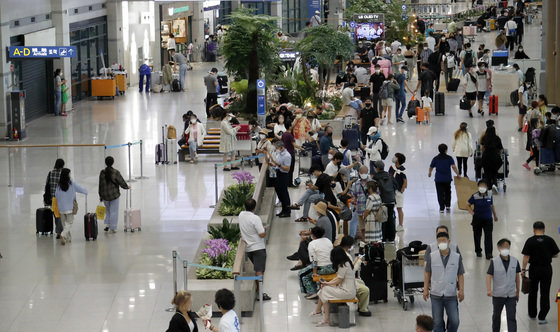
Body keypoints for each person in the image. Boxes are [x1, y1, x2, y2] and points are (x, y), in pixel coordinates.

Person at [423, 231, 465, 332]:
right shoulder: (432, 256)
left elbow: (460, 274)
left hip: (451, 294)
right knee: (437, 322)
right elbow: (427, 273)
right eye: (439, 241)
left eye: (444, 240)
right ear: (437, 243)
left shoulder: (456, 257)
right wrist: (425, 289)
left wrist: (461, 290)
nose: (441, 243)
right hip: (436, 294)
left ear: (448, 241)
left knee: (455, 321)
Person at [521, 221, 560, 324]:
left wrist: (523, 270)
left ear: (534, 230)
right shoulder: (550, 240)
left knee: (533, 291)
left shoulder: (530, 241)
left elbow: (526, 257)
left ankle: (532, 313)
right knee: (545, 292)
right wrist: (546, 255)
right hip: (547, 269)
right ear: (544, 229)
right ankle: (542, 317)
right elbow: (556, 254)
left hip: (534, 269)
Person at [311, 246, 357, 327]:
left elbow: (339, 280)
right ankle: (322, 314)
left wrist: (327, 283)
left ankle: (323, 315)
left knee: (324, 290)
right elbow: (338, 278)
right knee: (324, 289)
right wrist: (327, 283)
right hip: (346, 289)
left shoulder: (343, 265)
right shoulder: (346, 262)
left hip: (347, 292)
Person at [239, 198, 271, 301]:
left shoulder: (241, 215)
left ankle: (259, 290)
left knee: (258, 269)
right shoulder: (255, 218)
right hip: (258, 248)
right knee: (260, 271)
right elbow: (261, 234)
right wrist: (264, 229)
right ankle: (260, 293)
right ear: (254, 207)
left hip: (249, 249)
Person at [486, 238, 520, 332]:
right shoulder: (494, 261)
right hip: (498, 295)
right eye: (504, 247)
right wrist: (489, 289)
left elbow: (517, 277)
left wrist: (517, 291)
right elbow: (489, 275)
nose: (506, 249)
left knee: (511, 317)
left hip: (511, 295)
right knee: (496, 316)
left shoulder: (515, 261)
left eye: (507, 247)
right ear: (499, 248)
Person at [298, 226, 334, 299]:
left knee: (301, 274)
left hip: (321, 268)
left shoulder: (312, 244)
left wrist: (314, 272)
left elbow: (314, 260)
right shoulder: (328, 240)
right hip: (333, 267)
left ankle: (312, 292)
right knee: (308, 271)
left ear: (313, 235)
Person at [55, 168, 88, 245]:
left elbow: (56, 195)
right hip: (69, 207)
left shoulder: (58, 185)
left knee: (64, 224)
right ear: (67, 175)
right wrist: (86, 191)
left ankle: (68, 238)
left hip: (61, 208)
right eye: (69, 173)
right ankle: (63, 235)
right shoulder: (71, 184)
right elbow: (81, 189)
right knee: (69, 223)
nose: (70, 175)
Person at [467, 181, 498, 259]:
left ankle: (488, 253)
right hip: (477, 219)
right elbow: (467, 205)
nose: (482, 187)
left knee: (488, 236)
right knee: (477, 236)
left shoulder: (490, 195)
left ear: (487, 187)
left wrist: (495, 215)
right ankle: (478, 251)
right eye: (480, 186)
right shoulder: (474, 196)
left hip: (488, 219)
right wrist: (473, 214)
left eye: (484, 186)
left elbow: (491, 205)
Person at [98, 156, 130, 233]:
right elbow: (121, 182)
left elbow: (100, 185)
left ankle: (107, 225)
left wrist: (100, 195)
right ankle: (113, 227)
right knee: (114, 211)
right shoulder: (115, 172)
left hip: (105, 195)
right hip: (114, 195)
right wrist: (126, 187)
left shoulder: (102, 173)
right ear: (113, 162)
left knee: (108, 210)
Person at [429, 144, 460, 213]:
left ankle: (441, 208)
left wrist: (430, 173)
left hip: (438, 179)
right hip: (447, 179)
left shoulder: (435, 158)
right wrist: (458, 174)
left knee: (440, 193)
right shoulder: (449, 158)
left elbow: (431, 166)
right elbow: (453, 167)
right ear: (446, 150)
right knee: (448, 192)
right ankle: (448, 205)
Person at [373, 160, 397, 242]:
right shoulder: (390, 175)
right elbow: (396, 186)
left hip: (382, 201)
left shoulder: (376, 177)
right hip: (391, 201)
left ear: (377, 168)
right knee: (391, 218)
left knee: (383, 219)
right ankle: (391, 237)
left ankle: (383, 236)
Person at [268, 141, 292, 218]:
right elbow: (278, 164)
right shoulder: (280, 154)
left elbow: (287, 169)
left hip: (284, 175)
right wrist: (274, 165)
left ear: (281, 147)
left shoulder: (287, 156)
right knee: (279, 192)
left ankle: (287, 211)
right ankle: (283, 210)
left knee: (284, 193)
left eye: (277, 148)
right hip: (278, 174)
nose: (276, 149)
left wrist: (278, 165)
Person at [45, 159, 65, 238]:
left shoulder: (51, 173)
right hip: (62, 198)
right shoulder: (63, 174)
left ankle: (59, 232)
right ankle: (61, 231)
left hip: (53, 199)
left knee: (56, 215)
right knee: (62, 215)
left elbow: (47, 185)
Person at [480, 126, 503, 193]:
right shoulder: (497, 138)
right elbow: (501, 149)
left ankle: (488, 187)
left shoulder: (484, 138)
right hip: (495, 157)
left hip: (486, 157)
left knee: (487, 173)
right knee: (494, 172)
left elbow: (481, 148)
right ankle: (494, 185)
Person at [350, 165, 370, 240]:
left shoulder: (372, 183)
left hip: (369, 210)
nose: (363, 174)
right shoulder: (356, 184)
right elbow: (354, 195)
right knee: (362, 228)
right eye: (362, 172)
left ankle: (369, 242)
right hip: (359, 210)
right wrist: (353, 200)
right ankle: (364, 241)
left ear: (367, 172)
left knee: (369, 227)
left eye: (365, 172)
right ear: (359, 173)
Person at [388, 153, 407, 232]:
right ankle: (392, 223)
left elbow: (405, 181)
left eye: (395, 157)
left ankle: (400, 225)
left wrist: (402, 189)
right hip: (391, 190)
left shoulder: (403, 170)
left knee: (399, 208)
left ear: (398, 159)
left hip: (398, 191)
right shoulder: (391, 168)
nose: (394, 158)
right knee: (391, 207)